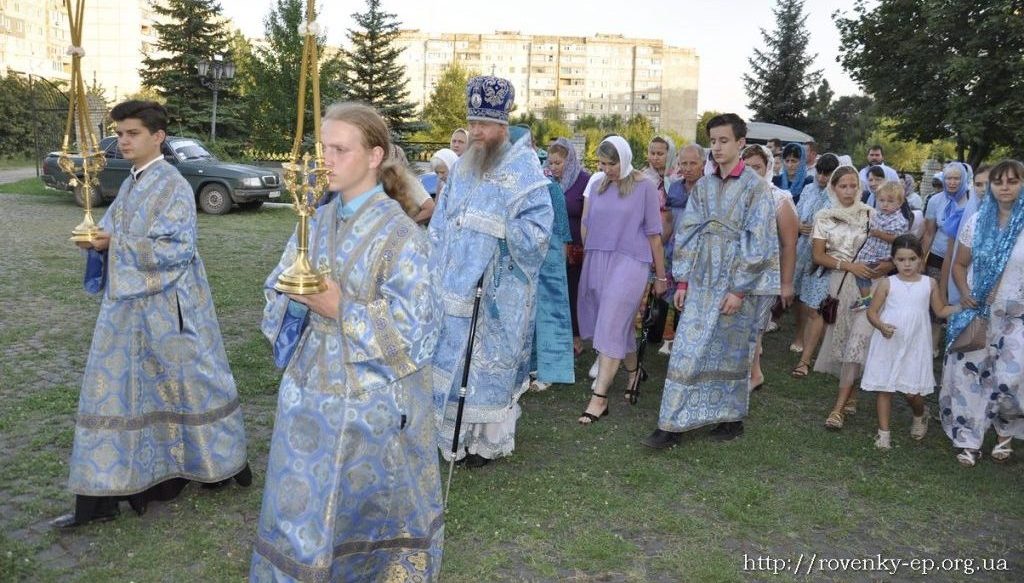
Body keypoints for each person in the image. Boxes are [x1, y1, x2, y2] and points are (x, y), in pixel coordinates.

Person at [251, 103, 443, 581]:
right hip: (306, 396)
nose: (326, 160)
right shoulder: (315, 220)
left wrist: (343, 310)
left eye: (339, 149)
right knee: (300, 520)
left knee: (359, 528)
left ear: (375, 155)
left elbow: (419, 335)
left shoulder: (402, 233)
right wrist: (293, 299)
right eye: (322, 149)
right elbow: (278, 287)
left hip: (370, 414)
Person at [54, 100, 250, 529]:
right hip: (126, 308)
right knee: (119, 392)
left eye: (132, 133)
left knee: (188, 385)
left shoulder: (173, 184)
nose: (122, 141)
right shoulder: (132, 183)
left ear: (157, 136)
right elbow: (113, 228)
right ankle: (107, 492)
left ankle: (213, 464)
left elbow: (176, 249)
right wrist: (96, 238)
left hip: (170, 307)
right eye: (120, 133)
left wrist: (114, 246)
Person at [430, 76, 553, 467]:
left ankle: (484, 442)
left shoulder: (525, 168)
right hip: (453, 286)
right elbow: (442, 219)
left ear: (503, 124)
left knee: (485, 369)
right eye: (472, 123)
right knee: (451, 360)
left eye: (483, 124)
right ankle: (452, 436)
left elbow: (538, 232)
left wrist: (502, 230)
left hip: (498, 291)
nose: (476, 132)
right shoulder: (465, 164)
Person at [643, 114, 779, 447]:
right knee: (687, 348)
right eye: (713, 141)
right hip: (703, 277)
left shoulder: (755, 188)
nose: (717, 148)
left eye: (724, 141)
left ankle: (730, 420)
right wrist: (684, 281)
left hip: (735, 282)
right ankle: (670, 425)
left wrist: (738, 288)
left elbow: (759, 240)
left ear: (740, 143)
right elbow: (687, 232)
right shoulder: (703, 186)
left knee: (731, 352)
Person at [576, 136, 667, 423]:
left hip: (631, 261)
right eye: (602, 163)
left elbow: (655, 235)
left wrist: (661, 276)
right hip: (599, 259)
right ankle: (634, 371)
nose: (606, 169)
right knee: (618, 327)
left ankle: (599, 398)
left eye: (611, 163)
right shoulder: (599, 185)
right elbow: (587, 224)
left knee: (612, 322)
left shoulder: (645, 187)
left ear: (624, 159)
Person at [940, 159, 1024, 466]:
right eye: (998, 181)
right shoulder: (977, 221)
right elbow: (959, 265)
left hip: (1016, 317)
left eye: (1012, 181)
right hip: (978, 313)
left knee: (1010, 380)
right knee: (970, 377)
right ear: (990, 186)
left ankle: (1005, 432)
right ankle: (969, 441)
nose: (1004, 187)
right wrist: (964, 293)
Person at [811, 166, 891, 430]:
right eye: (843, 186)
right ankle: (852, 393)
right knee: (843, 340)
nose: (848, 191)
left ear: (860, 188)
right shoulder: (824, 216)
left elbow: (892, 247)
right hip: (841, 282)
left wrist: (886, 266)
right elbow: (818, 256)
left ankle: (837, 409)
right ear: (833, 188)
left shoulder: (872, 214)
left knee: (859, 339)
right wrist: (849, 267)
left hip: (871, 286)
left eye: (853, 186)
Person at [862, 235, 960, 450]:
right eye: (901, 259)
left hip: (915, 342)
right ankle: (883, 433)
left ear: (920, 259)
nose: (907, 264)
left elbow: (940, 310)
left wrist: (963, 307)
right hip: (889, 339)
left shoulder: (929, 283)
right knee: (884, 387)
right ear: (894, 260)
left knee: (911, 391)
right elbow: (872, 312)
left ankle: (920, 413)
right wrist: (881, 326)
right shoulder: (888, 283)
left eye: (912, 259)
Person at [513, 126, 574, 391]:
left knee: (549, 311)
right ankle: (526, 366)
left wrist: (560, 255)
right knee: (523, 313)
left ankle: (550, 369)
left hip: (548, 252)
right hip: (518, 256)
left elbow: (560, 224)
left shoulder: (547, 181)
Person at [741, 145, 798, 392]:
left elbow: (789, 245)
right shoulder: (736, 193)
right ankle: (748, 372)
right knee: (739, 327)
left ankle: (754, 374)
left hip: (765, 275)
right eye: (748, 167)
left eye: (758, 167)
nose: (752, 172)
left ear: (767, 168)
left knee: (755, 329)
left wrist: (786, 283)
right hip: (738, 272)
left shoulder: (779, 198)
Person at [789, 153, 840, 355]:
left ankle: (815, 341)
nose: (821, 178)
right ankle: (799, 335)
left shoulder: (836, 196)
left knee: (816, 300)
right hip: (801, 247)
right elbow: (796, 212)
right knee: (798, 294)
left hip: (822, 251)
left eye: (826, 175)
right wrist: (799, 226)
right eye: (819, 173)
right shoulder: (809, 188)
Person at [546, 137, 591, 356]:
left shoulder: (583, 181)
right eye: (550, 163)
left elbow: (588, 215)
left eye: (558, 163)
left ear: (570, 161)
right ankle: (556, 333)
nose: (553, 167)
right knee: (555, 291)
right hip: (551, 246)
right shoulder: (547, 182)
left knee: (573, 291)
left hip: (575, 247)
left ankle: (576, 338)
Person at [661, 144, 704, 355]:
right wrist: (661, 244)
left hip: (699, 254)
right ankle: (672, 338)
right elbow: (669, 220)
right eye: (683, 163)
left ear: (703, 164)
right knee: (674, 297)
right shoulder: (674, 187)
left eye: (692, 163)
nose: (687, 168)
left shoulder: (709, 187)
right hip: (674, 250)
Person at [850, 181, 910, 310]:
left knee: (862, 272)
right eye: (881, 200)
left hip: (881, 255)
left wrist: (879, 234)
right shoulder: (878, 214)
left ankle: (866, 299)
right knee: (861, 272)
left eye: (890, 201)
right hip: (871, 251)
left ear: (899, 203)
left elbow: (898, 239)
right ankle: (866, 297)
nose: (885, 204)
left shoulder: (898, 220)